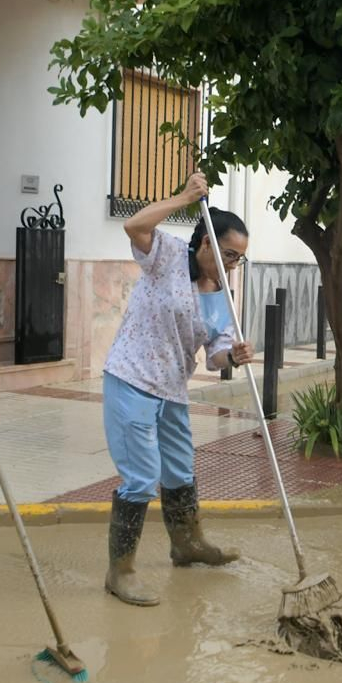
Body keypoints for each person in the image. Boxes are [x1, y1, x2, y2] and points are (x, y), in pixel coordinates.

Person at [100, 171, 255, 607]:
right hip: (131, 379)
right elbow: (135, 226)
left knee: (180, 471)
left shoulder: (222, 294)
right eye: (228, 254)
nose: (231, 265)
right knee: (142, 477)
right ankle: (121, 570)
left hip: (172, 389)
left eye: (239, 258)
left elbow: (215, 354)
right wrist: (185, 197)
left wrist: (233, 356)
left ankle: (187, 544)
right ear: (205, 243)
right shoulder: (165, 254)